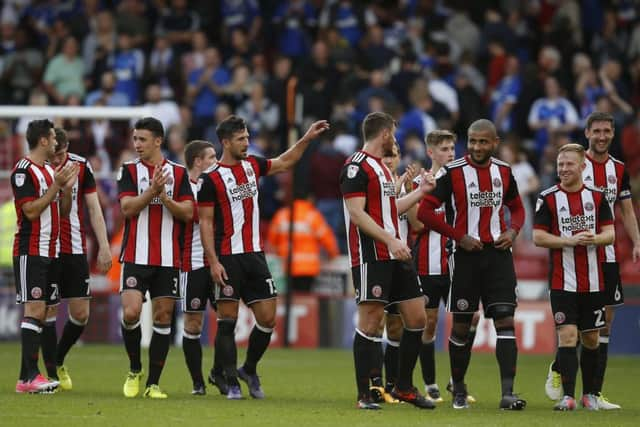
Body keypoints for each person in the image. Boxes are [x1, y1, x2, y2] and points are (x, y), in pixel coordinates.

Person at [198, 115, 329, 400]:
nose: (247, 142)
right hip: (227, 258)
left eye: (247, 137)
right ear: (226, 142)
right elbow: (205, 223)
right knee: (228, 320)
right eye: (241, 139)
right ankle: (231, 381)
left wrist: (306, 138)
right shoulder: (211, 179)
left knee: (268, 319)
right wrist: (213, 261)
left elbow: (284, 161)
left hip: (255, 256)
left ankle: (249, 368)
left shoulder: (253, 165)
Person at [417, 119, 526, 410]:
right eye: (473, 141)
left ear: (495, 142)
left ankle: (507, 393)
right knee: (462, 326)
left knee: (505, 319)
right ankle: (460, 388)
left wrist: (513, 231)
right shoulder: (453, 173)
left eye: (483, 142)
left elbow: (516, 206)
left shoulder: (504, 171)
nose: (477, 147)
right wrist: (459, 236)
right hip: (465, 257)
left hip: (498, 255)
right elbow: (425, 211)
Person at [340, 112, 437, 410]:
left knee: (417, 318)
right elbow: (357, 214)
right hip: (372, 255)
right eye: (392, 134)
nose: (394, 139)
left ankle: (404, 386)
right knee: (370, 322)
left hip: (395, 253)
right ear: (384, 134)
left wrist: (420, 191)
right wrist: (391, 240)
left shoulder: (382, 169)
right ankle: (364, 395)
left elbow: (389, 208)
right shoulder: (356, 167)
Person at [545, 112, 640, 409]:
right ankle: (561, 367)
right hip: (573, 257)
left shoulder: (619, 168)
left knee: (604, 324)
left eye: (606, 131)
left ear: (612, 134)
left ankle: (594, 394)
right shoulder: (572, 163)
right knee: (574, 326)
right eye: (596, 131)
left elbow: (625, 208)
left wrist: (637, 240)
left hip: (606, 255)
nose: (601, 136)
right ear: (587, 132)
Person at [533, 143, 615, 411]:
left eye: (569, 164)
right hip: (562, 281)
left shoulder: (598, 197)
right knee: (567, 336)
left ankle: (590, 395)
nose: (564, 169)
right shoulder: (547, 198)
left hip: (594, 280)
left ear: (582, 166)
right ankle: (568, 397)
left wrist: (595, 238)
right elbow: (538, 237)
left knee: (591, 338)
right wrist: (568, 240)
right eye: (560, 165)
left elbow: (610, 234)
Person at [117, 117, 194, 399]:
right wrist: (152, 191)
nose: (137, 144)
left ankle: (153, 384)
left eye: (142, 139)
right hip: (136, 255)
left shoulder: (180, 173)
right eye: (135, 139)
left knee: (163, 318)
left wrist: (166, 197)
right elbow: (127, 209)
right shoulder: (127, 170)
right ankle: (134, 368)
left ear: (158, 141)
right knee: (131, 312)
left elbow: (187, 213)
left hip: (168, 258)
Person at [39, 128, 112, 391]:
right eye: (53, 154)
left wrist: (104, 246)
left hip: (75, 248)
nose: (56, 160)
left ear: (67, 148)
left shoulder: (81, 166)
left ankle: (58, 359)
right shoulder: (40, 167)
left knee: (81, 314)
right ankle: (50, 376)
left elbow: (93, 207)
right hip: (47, 248)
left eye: (60, 155)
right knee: (49, 310)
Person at [410, 130, 480, 404]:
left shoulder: (463, 180)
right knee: (429, 324)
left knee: (470, 318)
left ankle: (456, 380)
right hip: (427, 265)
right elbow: (416, 225)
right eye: (444, 149)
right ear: (431, 153)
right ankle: (430, 384)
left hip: (456, 264)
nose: (450, 153)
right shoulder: (420, 183)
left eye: (452, 148)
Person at [11, 119, 78, 393]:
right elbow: (30, 211)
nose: (56, 143)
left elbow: (62, 211)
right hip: (31, 250)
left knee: (41, 313)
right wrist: (54, 188)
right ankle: (29, 378)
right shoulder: (22, 171)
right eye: (52, 138)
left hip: (51, 251)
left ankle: (26, 377)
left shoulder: (50, 170)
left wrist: (66, 189)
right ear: (42, 141)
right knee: (35, 310)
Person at [180, 140, 218, 396]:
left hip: (217, 263)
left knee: (228, 318)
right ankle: (197, 382)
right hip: (191, 264)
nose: (216, 162)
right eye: (212, 157)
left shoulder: (216, 186)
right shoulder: (183, 189)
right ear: (198, 161)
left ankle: (219, 373)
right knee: (193, 324)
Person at [266, 191, 340, 292]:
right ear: (308, 199)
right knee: (304, 298)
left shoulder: (281, 215)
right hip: (308, 268)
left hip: (286, 267)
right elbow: (328, 240)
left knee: (290, 301)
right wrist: (333, 255)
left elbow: (271, 243)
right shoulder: (313, 216)